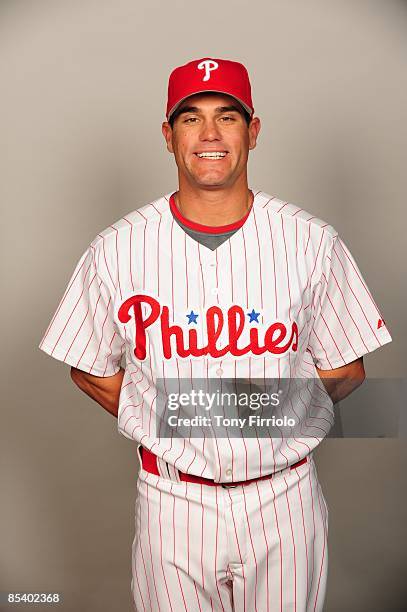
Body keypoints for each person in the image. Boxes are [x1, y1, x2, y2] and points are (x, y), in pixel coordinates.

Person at [39, 57, 392, 611]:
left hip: (283, 497)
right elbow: (88, 367)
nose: (209, 133)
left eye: (227, 116)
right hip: (171, 501)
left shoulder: (310, 241)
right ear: (168, 134)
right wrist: (177, 420)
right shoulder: (118, 247)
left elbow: (347, 368)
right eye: (190, 118)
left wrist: (245, 416)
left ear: (252, 131)